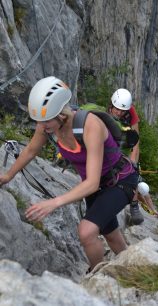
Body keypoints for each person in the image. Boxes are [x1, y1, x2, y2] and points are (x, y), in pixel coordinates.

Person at [0, 76, 138, 272]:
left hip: (120, 180)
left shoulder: (90, 125)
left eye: (45, 119)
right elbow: (30, 151)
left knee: (86, 232)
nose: (41, 125)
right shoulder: (47, 126)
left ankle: (97, 275)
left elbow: (91, 182)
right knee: (111, 235)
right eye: (38, 120)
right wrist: (8, 176)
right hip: (97, 187)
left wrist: (53, 203)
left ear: (61, 113)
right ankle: (133, 270)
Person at [108, 88, 145, 225]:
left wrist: (133, 159)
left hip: (125, 140)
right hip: (109, 141)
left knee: (133, 171)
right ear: (112, 105)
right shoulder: (105, 111)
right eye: (116, 109)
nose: (119, 112)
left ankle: (134, 205)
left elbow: (136, 139)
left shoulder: (130, 113)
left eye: (122, 111)